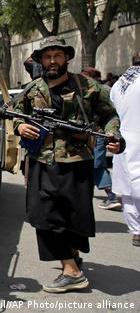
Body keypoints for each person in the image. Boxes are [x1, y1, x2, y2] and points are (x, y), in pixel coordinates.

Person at [12, 36, 122, 293]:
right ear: (40, 60)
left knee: (75, 216)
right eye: (47, 56)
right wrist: (21, 126)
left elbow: (109, 116)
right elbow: (16, 114)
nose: (52, 60)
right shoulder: (33, 89)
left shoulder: (87, 86)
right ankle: (71, 270)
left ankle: (71, 256)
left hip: (77, 161)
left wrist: (114, 136)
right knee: (45, 216)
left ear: (67, 58)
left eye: (57, 55)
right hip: (42, 160)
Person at [110, 52, 140, 247]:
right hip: (134, 136)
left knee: (127, 189)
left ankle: (137, 230)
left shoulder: (120, 83)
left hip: (124, 139)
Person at [80, 67, 121, 210]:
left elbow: (108, 113)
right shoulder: (104, 89)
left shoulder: (98, 91)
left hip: (97, 133)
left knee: (97, 165)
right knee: (91, 164)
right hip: (96, 133)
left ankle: (112, 196)